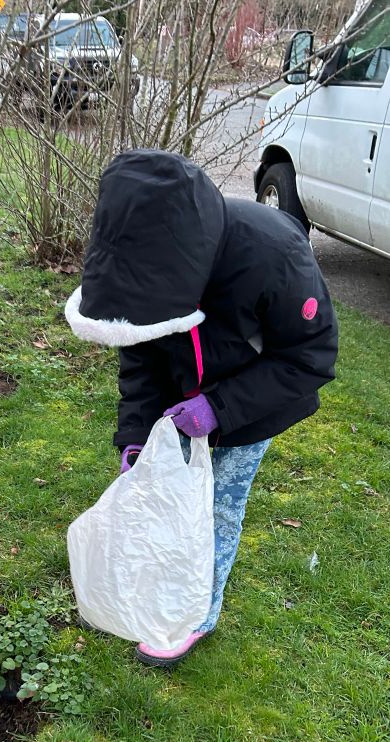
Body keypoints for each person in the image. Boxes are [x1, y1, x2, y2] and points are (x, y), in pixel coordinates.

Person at [65, 149, 338, 667]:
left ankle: (194, 613)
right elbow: (141, 357)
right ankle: (150, 577)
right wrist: (134, 433)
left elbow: (311, 359)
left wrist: (219, 408)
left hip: (250, 405)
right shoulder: (141, 263)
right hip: (179, 395)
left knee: (216, 508)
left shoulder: (275, 256)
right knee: (164, 494)